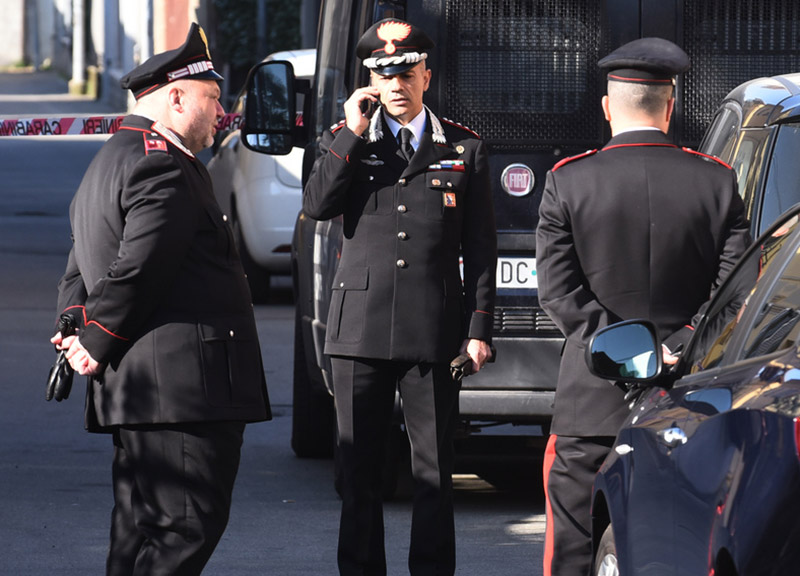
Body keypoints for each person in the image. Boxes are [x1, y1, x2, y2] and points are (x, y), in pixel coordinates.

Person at [50, 23, 271, 575]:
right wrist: (95, 339)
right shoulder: (159, 163)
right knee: (184, 528)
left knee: (138, 534)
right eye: (214, 98)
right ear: (176, 97)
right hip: (181, 394)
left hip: (145, 392)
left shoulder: (112, 157)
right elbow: (139, 266)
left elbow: (81, 261)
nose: (223, 113)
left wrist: (76, 320)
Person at [535, 37, 751, 576]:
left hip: (592, 400)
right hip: (692, 396)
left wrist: (630, 350)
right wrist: (678, 345)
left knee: (574, 547)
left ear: (608, 107)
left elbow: (559, 292)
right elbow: (737, 293)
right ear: (670, 104)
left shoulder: (569, 180)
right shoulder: (717, 180)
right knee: (676, 543)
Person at [303, 18, 497, 576]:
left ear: (426, 76)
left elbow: (481, 248)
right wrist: (349, 132)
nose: (396, 85)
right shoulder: (349, 141)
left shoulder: (463, 147)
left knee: (434, 470)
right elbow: (316, 206)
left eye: (406, 73)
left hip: (433, 329)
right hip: (359, 328)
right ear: (369, 80)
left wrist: (479, 328)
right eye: (384, 75)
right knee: (358, 469)